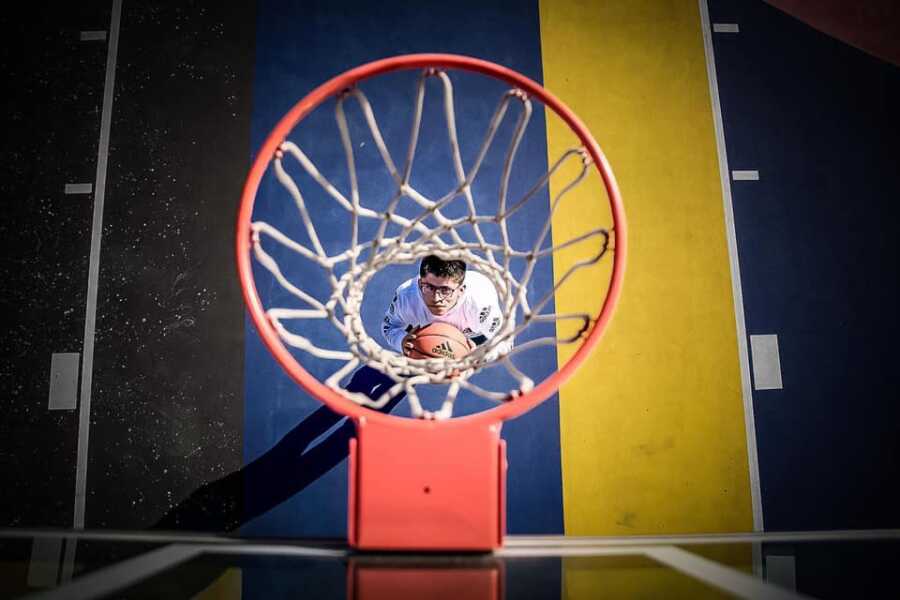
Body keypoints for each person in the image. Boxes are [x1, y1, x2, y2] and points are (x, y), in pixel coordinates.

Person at [382, 255, 509, 357]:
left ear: (461, 290)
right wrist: (401, 341)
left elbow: (505, 341)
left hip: (473, 336)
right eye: (429, 287)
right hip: (422, 332)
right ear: (420, 283)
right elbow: (389, 327)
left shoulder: (480, 304)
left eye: (445, 290)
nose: (436, 298)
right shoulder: (406, 296)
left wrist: (480, 357)